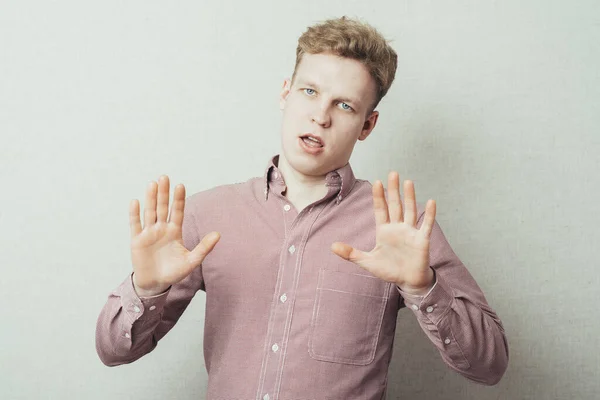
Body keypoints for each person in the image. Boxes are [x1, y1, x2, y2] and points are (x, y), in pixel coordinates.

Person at [95, 16, 509, 399]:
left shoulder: (401, 228)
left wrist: (423, 287)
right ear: (285, 93)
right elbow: (113, 352)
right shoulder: (209, 215)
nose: (320, 116)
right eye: (310, 92)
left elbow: (490, 366)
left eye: (345, 105)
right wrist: (145, 289)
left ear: (367, 125)